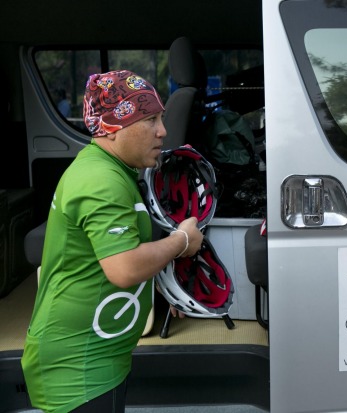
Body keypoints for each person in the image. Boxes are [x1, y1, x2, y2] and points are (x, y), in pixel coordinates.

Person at [21, 70, 203, 413]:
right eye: (150, 119)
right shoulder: (101, 180)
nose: (162, 131)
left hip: (96, 357)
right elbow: (124, 266)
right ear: (113, 126)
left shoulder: (113, 170)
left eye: (161, 118)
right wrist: (182, 240)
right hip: (80, 370)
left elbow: (110, 255)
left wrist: (162, 284)